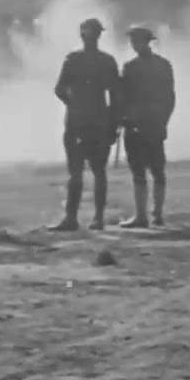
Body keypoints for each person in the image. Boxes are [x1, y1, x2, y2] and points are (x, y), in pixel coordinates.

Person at [49, 17, 123, 231]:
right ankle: (94, 218)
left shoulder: (74, 60)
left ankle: (72, 218)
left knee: (78, 172)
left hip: (80, 122)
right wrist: (114, 121)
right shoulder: (105, 61)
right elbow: (116, 96)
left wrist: (76, 103)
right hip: (96, 121)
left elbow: (60, 90)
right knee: (96, 172)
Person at [119, 26, 176, 228]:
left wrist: (122, 117)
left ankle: (146, 215)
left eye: (137, 40)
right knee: (152, 170)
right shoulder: (163, 65)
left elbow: (122, 98)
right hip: (151, 123)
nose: (135, 44)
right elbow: (170, 98)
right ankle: (153, 215)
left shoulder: (131, 68)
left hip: (140, 124)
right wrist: (163, 120)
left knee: (144, 171)